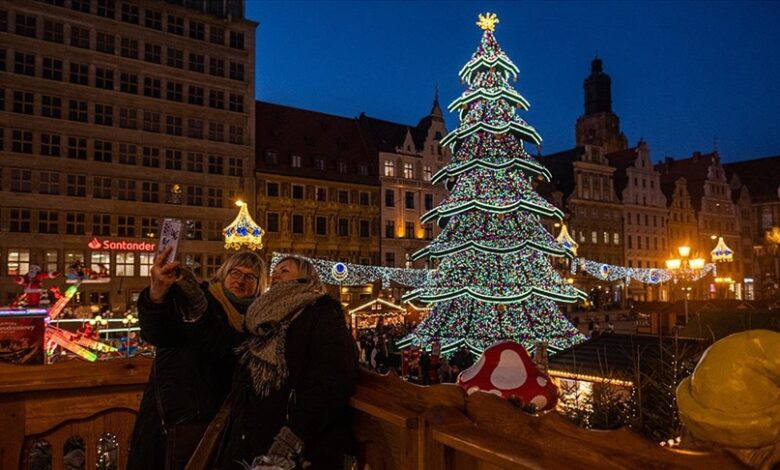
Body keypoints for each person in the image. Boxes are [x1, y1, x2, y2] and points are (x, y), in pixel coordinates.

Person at [206, 255, 358, 470]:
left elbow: (332, 380)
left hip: (300, 448)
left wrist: (291, 438)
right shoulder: (262, 320)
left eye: (284, 271)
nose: (275, 275)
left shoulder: (321, 314)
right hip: (254, 442)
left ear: (305, 278)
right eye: (274, 271)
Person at [127, 247, 266, 470]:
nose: (240, 280)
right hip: (178, 421)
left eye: (250, 277)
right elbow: (158, 332)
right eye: (235, 273)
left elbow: (229, 355)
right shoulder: (196, 298)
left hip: (218, 427)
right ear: (224, 274)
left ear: (259, 285)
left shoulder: (256, 322)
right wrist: (156, 295)